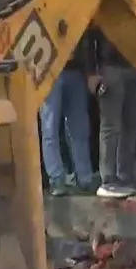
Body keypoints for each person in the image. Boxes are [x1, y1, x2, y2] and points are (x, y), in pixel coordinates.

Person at [87, 31, 136, 198]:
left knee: (132, 123)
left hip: (135, 64)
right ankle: (108, 179)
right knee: (111, 125)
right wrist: (91, 71)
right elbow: (89, 34)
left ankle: (125, 176)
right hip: (110, 65)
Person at [39, 40, 95, 196]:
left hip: (74, 69)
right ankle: (57, 179)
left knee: (79, 128)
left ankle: (84, 177)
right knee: (50, 127)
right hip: (49, 70)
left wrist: (88, 70)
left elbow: (86, 39)